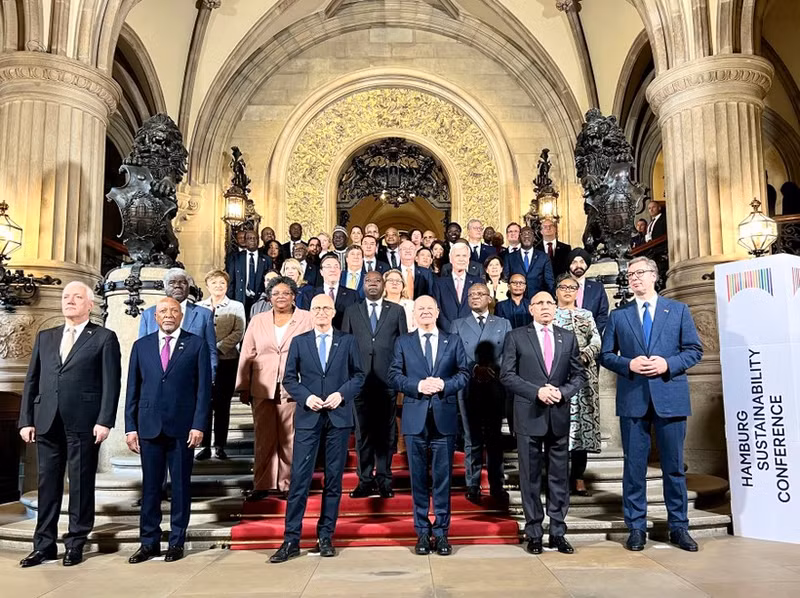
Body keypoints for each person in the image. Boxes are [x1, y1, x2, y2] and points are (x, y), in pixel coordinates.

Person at [599, 256, 703, 553]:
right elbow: (606, 355)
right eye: (630, 274)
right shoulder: (619, 315)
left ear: (654, 276)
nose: (634, 278)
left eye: (640, 273)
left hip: (670, 397)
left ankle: (679, 527)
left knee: (674, 468)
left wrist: (667, 364)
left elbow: (694, 350)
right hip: (634, 399)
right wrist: (628, 364)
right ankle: (636, 527)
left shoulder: (678, 310)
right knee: (634, 468)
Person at [18, 281, 121, 568]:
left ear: (90, 304)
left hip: (84, 421)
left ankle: (76, 543)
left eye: (77, 297)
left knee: (80, 484)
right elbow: (32, 380)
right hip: (47, 420)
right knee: (47, 485)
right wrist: (26, 419)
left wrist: (104, 420)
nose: (69, 301)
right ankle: (44, 546)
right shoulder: (46, 336)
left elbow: (111, 383)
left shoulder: (103, 337)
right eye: (66, 296)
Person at [269, 294, 365, 563]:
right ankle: (291, 539)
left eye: (326, 308)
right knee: (300, 479)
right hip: (309, 417)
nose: (321, 312)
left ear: (333, 312)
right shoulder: (300, 342)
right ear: (310, 312)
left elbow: (359, 376)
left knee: (333, 480)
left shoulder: (347, 341)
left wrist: (341, 394)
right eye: (316, 308)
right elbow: (289, 378)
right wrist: (306, 397)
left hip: (338, 417)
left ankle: (325, 536)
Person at [125, 297, 212, 564]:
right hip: (149, 426)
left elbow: (203, 391)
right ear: (155, 316)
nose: (169, 315)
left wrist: (199, 425)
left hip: (183, 428)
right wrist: (130, 427)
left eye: (174, 311)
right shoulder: (141, 346)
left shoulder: (196, 344)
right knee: (151, 488)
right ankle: (148, 542)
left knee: (181, 487)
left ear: (181, 316)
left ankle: (177, 541)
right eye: (163, 311)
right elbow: (132, 389)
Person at [500, 291, 586, 555]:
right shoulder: (516, 336)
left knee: (559, 477)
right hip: (529, 415)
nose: (546, 306)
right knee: (530, 477)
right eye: (540, 303)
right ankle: (534, 532)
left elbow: (578, 375)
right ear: (531, 309)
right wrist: (536, 391)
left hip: (558, 415)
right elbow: (507, 375)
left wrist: (563, 392)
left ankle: (558, 531)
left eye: (550, 302)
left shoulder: (567, 337)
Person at [387, 295, 469, 556]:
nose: (424, 312)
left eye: (429, 308)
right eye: (420, 308)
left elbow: (464, 374)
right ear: (414, 314)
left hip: (444, 419)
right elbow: (393, 375)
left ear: (437, 311)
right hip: (415, 420)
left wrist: (444, 384)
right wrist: (417, 385)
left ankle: (442, 533)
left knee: (443, 480)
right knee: (419, 480)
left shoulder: (452, 340)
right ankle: (422, 532)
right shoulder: (403, 342)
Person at [237, 276, 314, 502]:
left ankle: (288, 484)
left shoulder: (307, 318)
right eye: (276, 293)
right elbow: (247, 353)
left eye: (286, 293)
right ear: (269, 297)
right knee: (263, 437)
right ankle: (262, 484)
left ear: (294, 296)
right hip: (262, 385)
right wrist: (243, 385)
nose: (281, 297)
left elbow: (312, 352)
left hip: (294, 387)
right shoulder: (258, 320)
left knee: (290, 437)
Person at [342, 271, 408, 498]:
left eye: (377, 281)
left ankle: (384, 480)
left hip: (387, 381)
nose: (372, 284)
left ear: (384, 285)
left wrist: (400, 377)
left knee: (386, 433)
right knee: (363, 433)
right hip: (359, 381)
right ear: (363, 285)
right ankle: (364, 480)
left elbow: (403, 344)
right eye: (368, 281)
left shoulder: (396, 311)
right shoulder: (352, 310)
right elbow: (345, 345)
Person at [450, 283, 511, 503]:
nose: (475, 297)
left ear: (489, 298)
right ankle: (473, 485)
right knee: (471, 438)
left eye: (480, 294)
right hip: (469, 386)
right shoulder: (458, 324)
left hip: (495, 386)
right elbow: (453, 354)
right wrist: (474, 368)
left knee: (495, 438)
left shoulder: (503, 323)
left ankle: (497, 485)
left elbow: (509, 352)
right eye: (471, 295)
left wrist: (491, 368)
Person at [553, 273, 601, 496]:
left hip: (584, 376)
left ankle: (579, 476)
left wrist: (585, 355)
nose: (568, 291)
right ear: (556, 291)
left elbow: (596, 339)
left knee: (582, 426)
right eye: (563, 287)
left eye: (572, 288)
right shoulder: (551, 313)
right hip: (559, 375)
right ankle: (559, 477)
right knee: (559, 426)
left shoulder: (586, 314)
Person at [196, 270, 245, 461]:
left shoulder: (236, 306)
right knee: (205, 404)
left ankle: (220, 445)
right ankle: (204, 446)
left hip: (227, 361)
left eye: (222, 283)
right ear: (207, 285)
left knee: (222, 405)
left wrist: (216, 348)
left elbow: (239, 331)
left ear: (227, 285)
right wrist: (206, 351)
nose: (218, 286)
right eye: (214, 282)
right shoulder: (199, 307)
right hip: (203, 363)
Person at [139, 268, 217, 378]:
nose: (177, 286)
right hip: (155, 379)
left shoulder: (204, 315)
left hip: (191, 379)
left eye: (182, 282)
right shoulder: (148, 314)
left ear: (189, 287)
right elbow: (142, 351)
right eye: (172, 283)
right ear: (165, 287)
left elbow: (211, 350)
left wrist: (210, 377)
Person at [434, 240, 483, 330]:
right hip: (446, 332)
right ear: (450, 258)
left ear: (468, 259)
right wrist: (450, 329)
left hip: (471, 331)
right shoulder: (439, 283)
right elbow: (437, 309)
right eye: (458, 255)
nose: (461, 259)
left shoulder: (478, 282)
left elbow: (481, 309)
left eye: (464, 256)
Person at [226, 229, 272, 318]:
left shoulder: (266, 259)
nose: (252, 240)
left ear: (258, 241)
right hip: (240, 299)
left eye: (254, 238)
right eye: (249, 238)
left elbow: (269, 281)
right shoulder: (236, 258)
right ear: (245, 241)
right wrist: (230, 300)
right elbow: (231, 281)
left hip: (260, 300)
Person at [307, 253, 358, 328]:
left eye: (336, 267)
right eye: (328, 267)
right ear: (321, 272)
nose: (333, 270)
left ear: (340, 271)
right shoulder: (309, 295)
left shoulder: (353, 295)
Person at [566, 248, 609, 335]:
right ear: (569, 265)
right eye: (574, 262)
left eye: (582, 262)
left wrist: (592, 334)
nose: (578, 265)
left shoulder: (597, 288)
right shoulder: (562, 288)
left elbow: (603, 315)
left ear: (586, 265)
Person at [505, 226, 554, 299]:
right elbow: (506, 280)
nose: (526, 236)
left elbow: (549, 282)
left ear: (534, 238)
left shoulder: (543, 257)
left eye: (529, 234)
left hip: (538, 300)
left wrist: (551, 299)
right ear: (519, 238)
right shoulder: (509, 257)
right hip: (516, 300)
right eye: (524, 234)